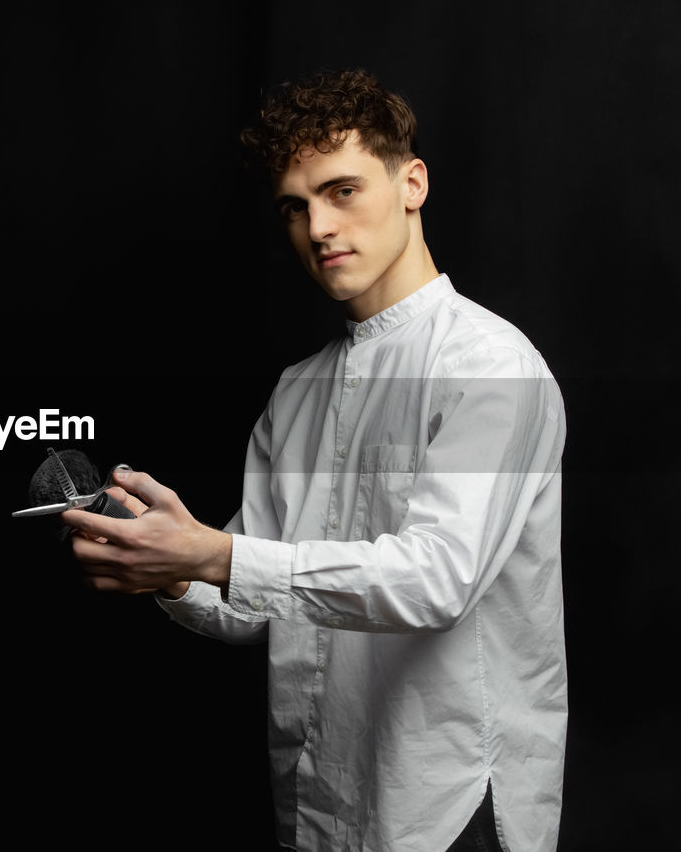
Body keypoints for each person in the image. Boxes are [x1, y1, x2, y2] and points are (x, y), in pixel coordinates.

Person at [61, 68, 567, 852]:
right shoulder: (296, 393)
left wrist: (219, 553)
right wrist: (170, 563)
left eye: (342, 191)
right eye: (295, 207)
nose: (318, 227)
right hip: (318, 794)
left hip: (448, 800)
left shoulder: (490, 362)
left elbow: (440, 580)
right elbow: (255, 603)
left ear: (412, 183)